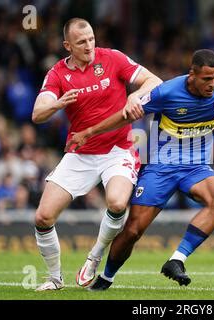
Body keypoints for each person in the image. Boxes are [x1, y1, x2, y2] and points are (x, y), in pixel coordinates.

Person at [65, 49, 214, 290]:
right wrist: (89, 133)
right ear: (191, 75)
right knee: (133, 230)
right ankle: (106, 278)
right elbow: (125, 115)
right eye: (207, 78)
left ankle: (177, 260)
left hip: (196, 167)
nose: (213, 84)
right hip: (161, 168)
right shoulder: (167, 92)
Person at [31, 18, 162, 291]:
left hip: (118, 148)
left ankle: (95, 255)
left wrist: (134, 97)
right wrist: (56, 104)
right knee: (43, 218)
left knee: (116, 203)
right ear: (68, 45)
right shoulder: (57, 74)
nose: (89, 45)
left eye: (91, 38)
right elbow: (37, 114)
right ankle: (55, 278)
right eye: (81, 42)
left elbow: (154, 80)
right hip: (81, 152)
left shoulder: (112, 58)